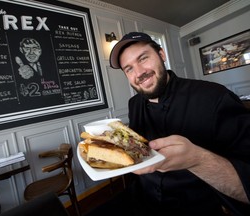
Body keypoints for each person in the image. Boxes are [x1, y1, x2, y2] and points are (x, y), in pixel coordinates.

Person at [88, 32, 250, 216]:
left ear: (162, 55)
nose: (139, 72)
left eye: (143, 58)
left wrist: (198, 159)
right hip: (143, 199)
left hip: (198, 206)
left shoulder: (214, 97)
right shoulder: (134, 104)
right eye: (129, 69)